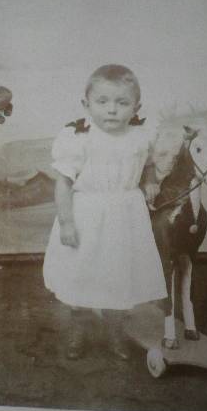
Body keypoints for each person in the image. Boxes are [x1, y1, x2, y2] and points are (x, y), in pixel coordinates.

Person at [43, 64, 167, 360]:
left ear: (136, 107)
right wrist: (67, 222)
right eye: (102, 102)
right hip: (87, 213)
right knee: (81, 273)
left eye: (122, 103)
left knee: (118, 275)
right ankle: (79, 329)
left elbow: (147, 162)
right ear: (86, 105)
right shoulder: (78, 136)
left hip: (126, 216)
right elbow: (63, 183)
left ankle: (115, 332)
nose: (112, 110)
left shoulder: (140, 134)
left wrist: (149, 181)